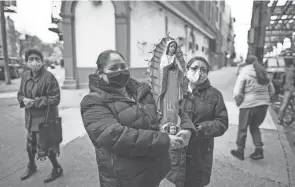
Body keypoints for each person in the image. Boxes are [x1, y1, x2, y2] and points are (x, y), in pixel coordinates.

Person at [80, 50, 195, 187]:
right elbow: (115, 136)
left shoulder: (144, 90)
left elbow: (171, 107)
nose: (120, 71)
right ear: (100, 74)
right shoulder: (93, 102)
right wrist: (164, 140)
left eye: (123, 66)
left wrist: (187, 127)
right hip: (125, 179)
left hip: (156, 172)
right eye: (113, 68)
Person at [181, 56, 229, 187]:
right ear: (186, 70)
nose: (199, 72)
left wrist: (200, 128)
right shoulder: (176, 91)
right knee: (176, 178)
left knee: (195, 181)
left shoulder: (215, 95)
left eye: (203, 69)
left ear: (207, 73)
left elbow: (222, 122)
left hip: (200, 149)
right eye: (195, 68)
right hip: (177, 147)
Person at [17, 49, 63, 183]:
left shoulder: (49, 77)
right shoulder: (25, 75)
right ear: (27, 62)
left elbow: (55, 98)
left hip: (45, 119)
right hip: (30, 119)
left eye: (37, 59)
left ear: (42, 61)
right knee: (30, 145)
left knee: (47, 147)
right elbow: (20, 93)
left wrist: (35, 102)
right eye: (30, 59)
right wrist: (22, 100)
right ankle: (32, 166)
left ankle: (57, 168)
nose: (34, 62)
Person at [231, 55, 275, 160]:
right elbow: (272, 91)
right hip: (263, 105)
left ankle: (240, 151)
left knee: (243, 128)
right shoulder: (263, 72)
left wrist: (238, 102)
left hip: (248, 105)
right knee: (255, 127)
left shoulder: (245, 71)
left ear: (246, 63)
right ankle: (259, 150)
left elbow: (238, 91)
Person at [278, 59, 295, 125]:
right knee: (284, 105)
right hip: (289, 91)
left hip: (292, 90)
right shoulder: (291, 72)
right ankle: (280, 119)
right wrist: (293, 91)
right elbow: (289, 83)